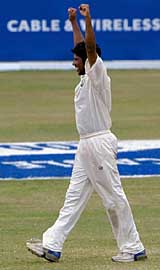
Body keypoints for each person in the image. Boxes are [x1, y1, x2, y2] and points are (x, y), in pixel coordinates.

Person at [26, 4, 147, 263]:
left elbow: (89, 49)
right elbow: (82, 47)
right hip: (85, 146)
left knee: (113, 196)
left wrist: (88, 19)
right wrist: (73, 24)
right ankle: (52, 244)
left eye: (77, 60)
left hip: (100, 143)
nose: (73, 62)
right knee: (74, 196)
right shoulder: (84, 78)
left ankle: (133, 247)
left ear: (90, 61)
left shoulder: (98, 73)